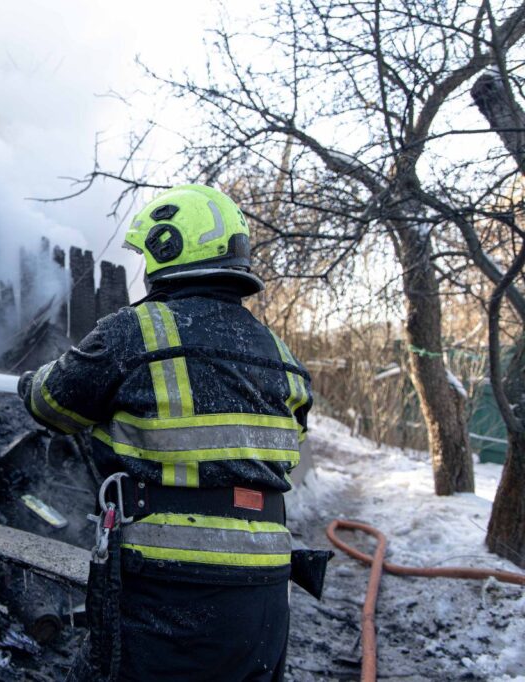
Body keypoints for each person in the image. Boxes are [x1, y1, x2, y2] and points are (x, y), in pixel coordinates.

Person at [18, 184, 325, 681]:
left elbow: (51, 404)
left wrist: (27, 383)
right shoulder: (282, 355)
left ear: (167, 247)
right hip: (266, 592)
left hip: (170, 591)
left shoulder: (136, 330)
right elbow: (284, 452)